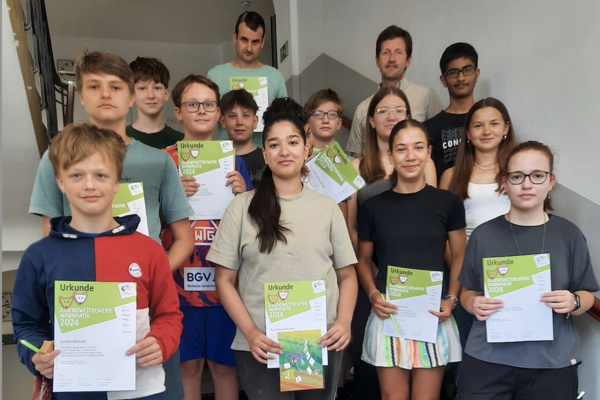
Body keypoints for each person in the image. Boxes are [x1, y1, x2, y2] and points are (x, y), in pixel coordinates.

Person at [28, 51, 193, 400]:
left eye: (115, 87)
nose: (105, 94)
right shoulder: (55, 158)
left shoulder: (159, 161)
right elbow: (50, 242)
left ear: (131, 97)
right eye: (94, 86)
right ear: (81, 96)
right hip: (82, 309)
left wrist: (148, 277)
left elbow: (183, 238)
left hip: (145, 311)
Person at [13, 123, 183, 400]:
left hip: (142, 391)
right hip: (73, 391)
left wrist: (161, 341)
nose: (89, 185)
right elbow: (25, 325)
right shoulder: (39, 255)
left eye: (100, 175)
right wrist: (35, 355)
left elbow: (169, 316)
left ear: (116, 182)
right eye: (76, 175)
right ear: (60, 182)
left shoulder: (150, 251)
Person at [207, 114, 358, 400]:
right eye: (274, 145)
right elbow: (224, 280)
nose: (284, 151)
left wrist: (343, 321)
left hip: (318, 340)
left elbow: (347, 275)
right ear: (264, 154)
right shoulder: (241, 208)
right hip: (263, 343)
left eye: (293, 142)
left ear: (306, 150)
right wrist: (251, 332)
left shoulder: (327, 208)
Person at [457, 141, 599, 400]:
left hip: (551, 363)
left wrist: (574, 301)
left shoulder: (569, 235)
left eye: (537, 175)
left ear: (551, 181)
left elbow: (587, 295)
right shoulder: (483, 235)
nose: (526, 184)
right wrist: (473, 304)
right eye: (517, 176)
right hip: (487, 359)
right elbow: (467, 292)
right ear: (505, 182)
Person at [357, 119, 466, 400]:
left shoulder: (448, 203)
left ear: (429, 152)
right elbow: (363, 259)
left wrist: (452, 298)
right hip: (389, 313)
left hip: (432, 314)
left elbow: (460, 255)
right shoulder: (372, 207)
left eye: (418, 147)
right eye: (401, 149)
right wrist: (373, 294)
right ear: (390, 155)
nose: (410, 156)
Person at [162, 74, 251, 400]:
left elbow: (251, 227)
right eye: (192, 104)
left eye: (209, 104)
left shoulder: (236, 163)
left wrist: (243, 195)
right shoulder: (164, 161)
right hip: (177, 285)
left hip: (224, 286)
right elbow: (145, 221)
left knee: (225, 368)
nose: (201, 110)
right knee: (187, 368)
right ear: (178, 111)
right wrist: (170, 197)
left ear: (218, 113)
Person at [346, 25, 442, 158]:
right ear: (377, 61)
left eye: (398, 52)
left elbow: (440, 149)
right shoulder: (363, 109)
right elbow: (356, 160)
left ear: (408, 60)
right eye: (386, 52)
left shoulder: (426, 97)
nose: (391, 59)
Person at [208, 11, 287, 146]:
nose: (249, 48)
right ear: (235, 38)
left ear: (262, 42)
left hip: (266, 153)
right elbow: (205, 119)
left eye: (255, 42)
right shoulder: (215, 75)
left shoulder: (275, 76)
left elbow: (287, 121)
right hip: (227, 154)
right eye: (244, 40)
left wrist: (275, 114)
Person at [425, 43, 480, 182]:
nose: (461, 78)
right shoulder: (429, 128)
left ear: (476, 74)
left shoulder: (489, 122)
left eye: (467, 70)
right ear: (444, 80)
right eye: (453, 72)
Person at [127, 56, 184, 149]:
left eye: (157, 88)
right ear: (132, 95)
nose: (151, 96)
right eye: (142, 88)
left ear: (166, 94)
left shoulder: (181, 141)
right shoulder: (118, 139)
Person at [220, 89, 265, 187]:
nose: (239, 122)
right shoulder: (214, 160)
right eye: (232, 116)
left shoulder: (267, 158)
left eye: (246, 115)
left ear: (255, 122)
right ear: (223, 121)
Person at [304, 88, 345, 153]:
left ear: (339, 124)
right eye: (318, 114)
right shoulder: (299, 157)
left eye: (332, 114)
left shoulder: (349, 159)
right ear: (308, 122)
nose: (325, 120)